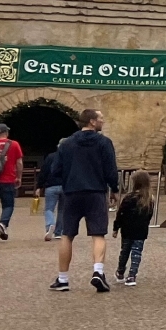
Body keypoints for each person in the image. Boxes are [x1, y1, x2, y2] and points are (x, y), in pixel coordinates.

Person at [52, 108, 118, 293]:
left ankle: (63, 279)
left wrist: (68, 179)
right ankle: (98, 272)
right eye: (101, 118)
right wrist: (114, 189)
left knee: (67, 234)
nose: (103, 121)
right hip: (95, 192)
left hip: (72, 192)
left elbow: (55, 170)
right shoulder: (104, 142)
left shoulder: (67, 143)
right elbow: (110, 169)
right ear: (92, 121)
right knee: (98, 234)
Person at [113, 171, 155, 286]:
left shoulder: (129, 197)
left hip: (127, 229)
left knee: (125, 251)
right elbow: (149, 215)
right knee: (137, 252)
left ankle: (120, 272)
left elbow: (121, 213)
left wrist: (116, 227)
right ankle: (132, 276)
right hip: (141, 230)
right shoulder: (149, 198)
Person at [40, 134, 71, 242]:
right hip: (66, 187)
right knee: (62, 210)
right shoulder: (70, 158)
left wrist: (39, 185)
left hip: (51, 186)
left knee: (49, 209)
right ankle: (58, 232)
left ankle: (50, 224)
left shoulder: (51, 157)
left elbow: (44, 172)